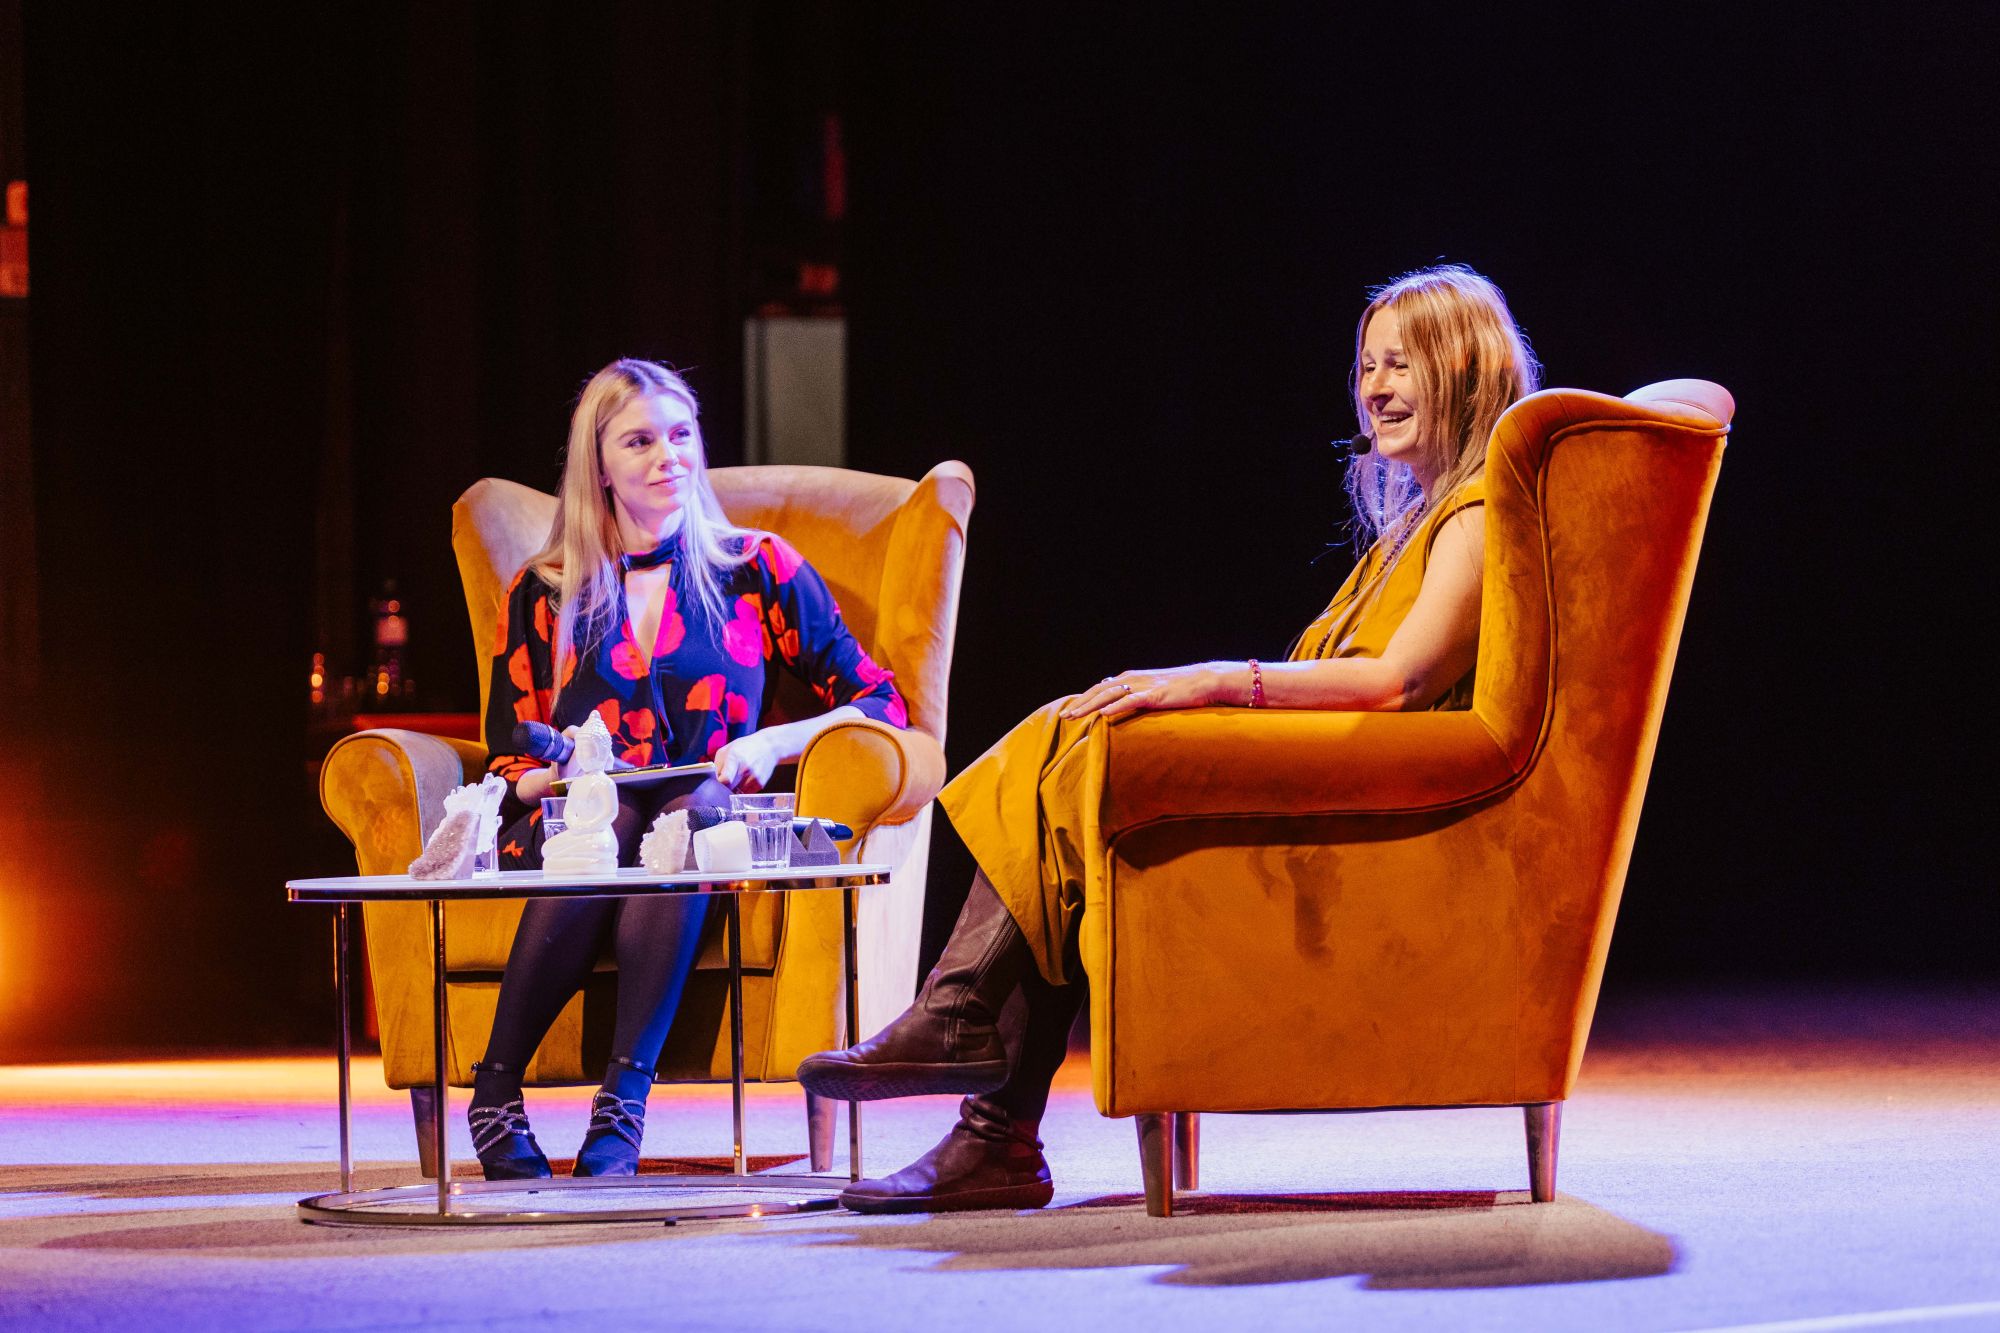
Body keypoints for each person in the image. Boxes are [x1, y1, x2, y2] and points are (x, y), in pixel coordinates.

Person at [797, 263, 1540, 1212]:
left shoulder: (1474, 515)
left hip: (1370, 809)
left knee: (1083, 742)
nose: (1377, 388)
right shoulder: (1421, 522)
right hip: (1333, 778)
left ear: (1467, 369)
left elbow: (1399, 684)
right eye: (1367, 366)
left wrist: (1219, 680)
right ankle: (987, 1108)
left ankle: (970, 1051)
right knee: (1072, 742)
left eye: (1403, 364)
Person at [470, 358, 907, 1181]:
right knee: (613, 815)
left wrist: (774, 744)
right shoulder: (543, 590)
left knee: (693, 808)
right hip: (574, 827)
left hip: (705, 823)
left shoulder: (756, 567)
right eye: (640, 441)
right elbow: (507, 753)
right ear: (600, 464)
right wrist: (552, 778)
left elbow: (880, 702)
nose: (668, 455)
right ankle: (495, 1089)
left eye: (680, 434)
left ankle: (622, 1101)